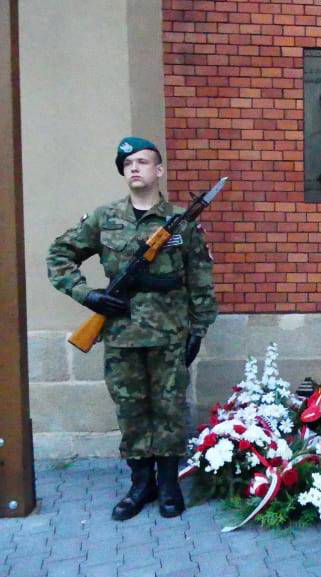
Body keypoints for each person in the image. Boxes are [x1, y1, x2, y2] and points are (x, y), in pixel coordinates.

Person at [46, 137, 218, 520]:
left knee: (169, 409)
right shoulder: (104, 218)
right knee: (131, 409)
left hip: (169, 333)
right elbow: (59, 255)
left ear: (159, 171)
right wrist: (87, 296)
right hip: (121, 335)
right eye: (128, 164)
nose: (135, 168)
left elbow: (200, 277)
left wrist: (199, 328)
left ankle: (169, 483)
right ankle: (142, 484)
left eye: (143, 161)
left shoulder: (180, 222)